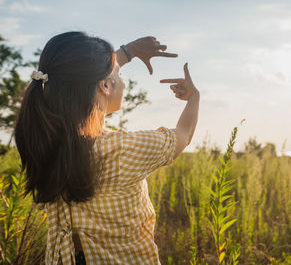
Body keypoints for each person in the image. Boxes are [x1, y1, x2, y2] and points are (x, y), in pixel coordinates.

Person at [14, 31, 200, 264]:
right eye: (118, 73)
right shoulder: (122, 150)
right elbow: (183, 135)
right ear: (104, 85)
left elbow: (75, 74)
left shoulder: (45, 141)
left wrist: (128, 52)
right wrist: (194, 98)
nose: (123, 79)